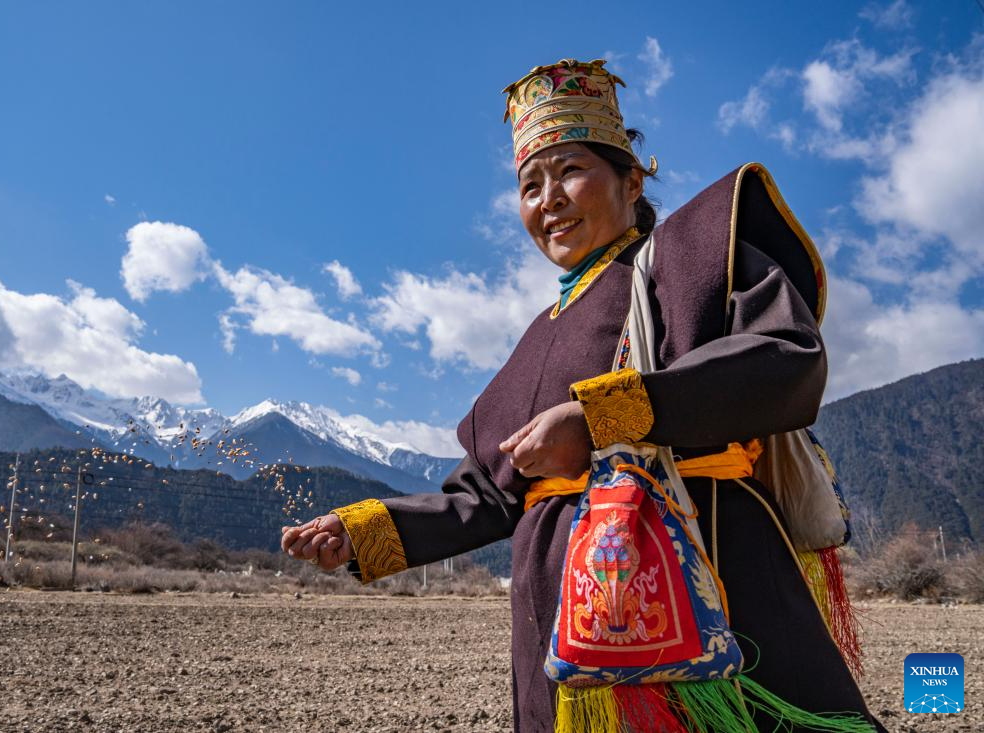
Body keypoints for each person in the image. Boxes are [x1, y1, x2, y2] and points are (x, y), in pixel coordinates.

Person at [281, 58, 883, 732]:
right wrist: (362, 529)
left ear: (631, 180)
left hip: (717, 587)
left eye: (568, 171)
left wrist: (603, 419)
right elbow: (484, 493)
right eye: (529, 185)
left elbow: (786, 361)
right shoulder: (538, 336)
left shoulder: (696, 260)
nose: (548, 200)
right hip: (563, 640)